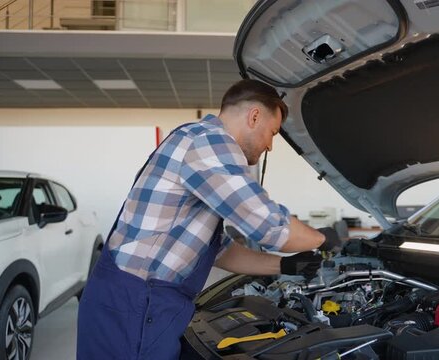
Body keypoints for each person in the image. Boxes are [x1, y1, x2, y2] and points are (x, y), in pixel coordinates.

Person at [77, 79, 340, 359]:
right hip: (135, 304)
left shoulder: (194, 140)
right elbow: (267, 225)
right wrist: (327, 237)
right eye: (272, 133)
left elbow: (217, 250)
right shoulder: (209, 142)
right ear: (254, 116)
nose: (270, 146)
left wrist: (286, 265)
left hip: (138, 302)